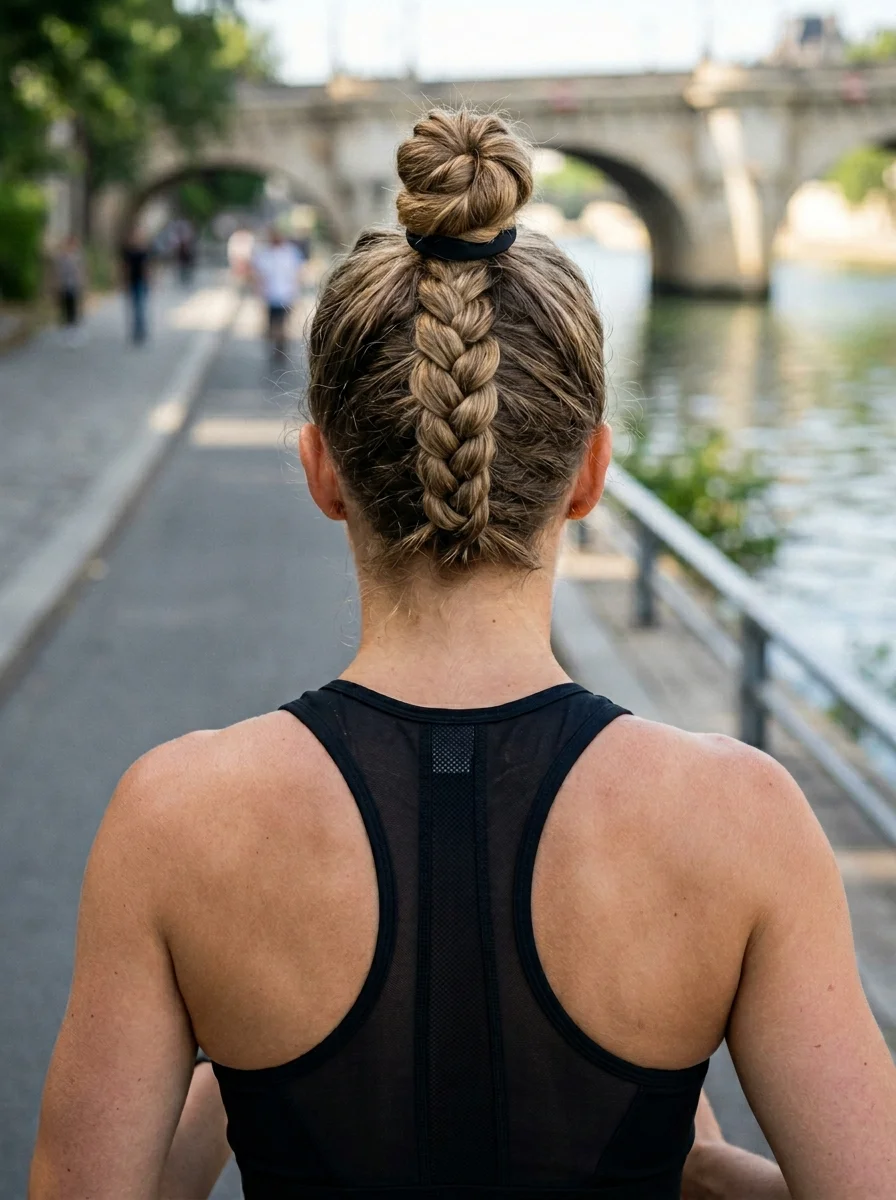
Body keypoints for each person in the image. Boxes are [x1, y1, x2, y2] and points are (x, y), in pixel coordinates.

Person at [31, 110, 896, 1199]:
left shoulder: (174, 820)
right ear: (589, 477)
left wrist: (237, 1044)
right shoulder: (742, 820)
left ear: (322, 472)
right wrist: (703, 1168)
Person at [251, 225, 303, 359]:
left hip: (286, 295)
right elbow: (258, 275)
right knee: (271, 324)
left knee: (282, 324)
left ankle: (281, 347)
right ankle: (275, 345)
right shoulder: (264, 254)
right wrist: (259, 291)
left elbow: (298, 273)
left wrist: (296, 291)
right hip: (270, 296)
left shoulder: (291, 252)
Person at [52, 235, 85, 347]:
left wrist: (83, 284)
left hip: (74, 286)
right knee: (65, 308)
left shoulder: (78, 257)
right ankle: (66, 331)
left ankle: (73, 331)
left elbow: (82, 272)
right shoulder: (61, 257)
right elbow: (57, 273)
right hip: (64, 286)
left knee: (74, 309)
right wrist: (56, 285)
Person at [120, 231, 152, 344]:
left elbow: (146, 267)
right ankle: (136, 330)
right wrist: (124, 281)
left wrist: (149, 280)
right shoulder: (128, 252)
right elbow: (125, 267)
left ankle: (140, 330)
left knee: (140, 306)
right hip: (132, 281)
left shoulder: (143, 252)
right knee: (135, 307)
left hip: (141, 282)